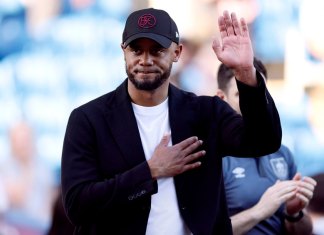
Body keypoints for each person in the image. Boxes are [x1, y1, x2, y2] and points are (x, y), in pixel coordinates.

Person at [61, 8, 282, 235]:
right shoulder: (88, 119)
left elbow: (264, 141)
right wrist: (149, 171)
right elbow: (77, 206)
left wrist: (245, 72)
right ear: (123, 51)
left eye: (157, 50)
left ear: (177, 52)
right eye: (136, 50)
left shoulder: (206, 113)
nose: (145, 60)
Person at [216, 58, 317, 235]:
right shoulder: (212, 156)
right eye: (241, 94)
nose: (252, 103)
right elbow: (202, 230)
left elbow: (303, 231)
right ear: (221, 98)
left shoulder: (283, 154)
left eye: (258, 94)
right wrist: (260, 211)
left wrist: (293, 213)